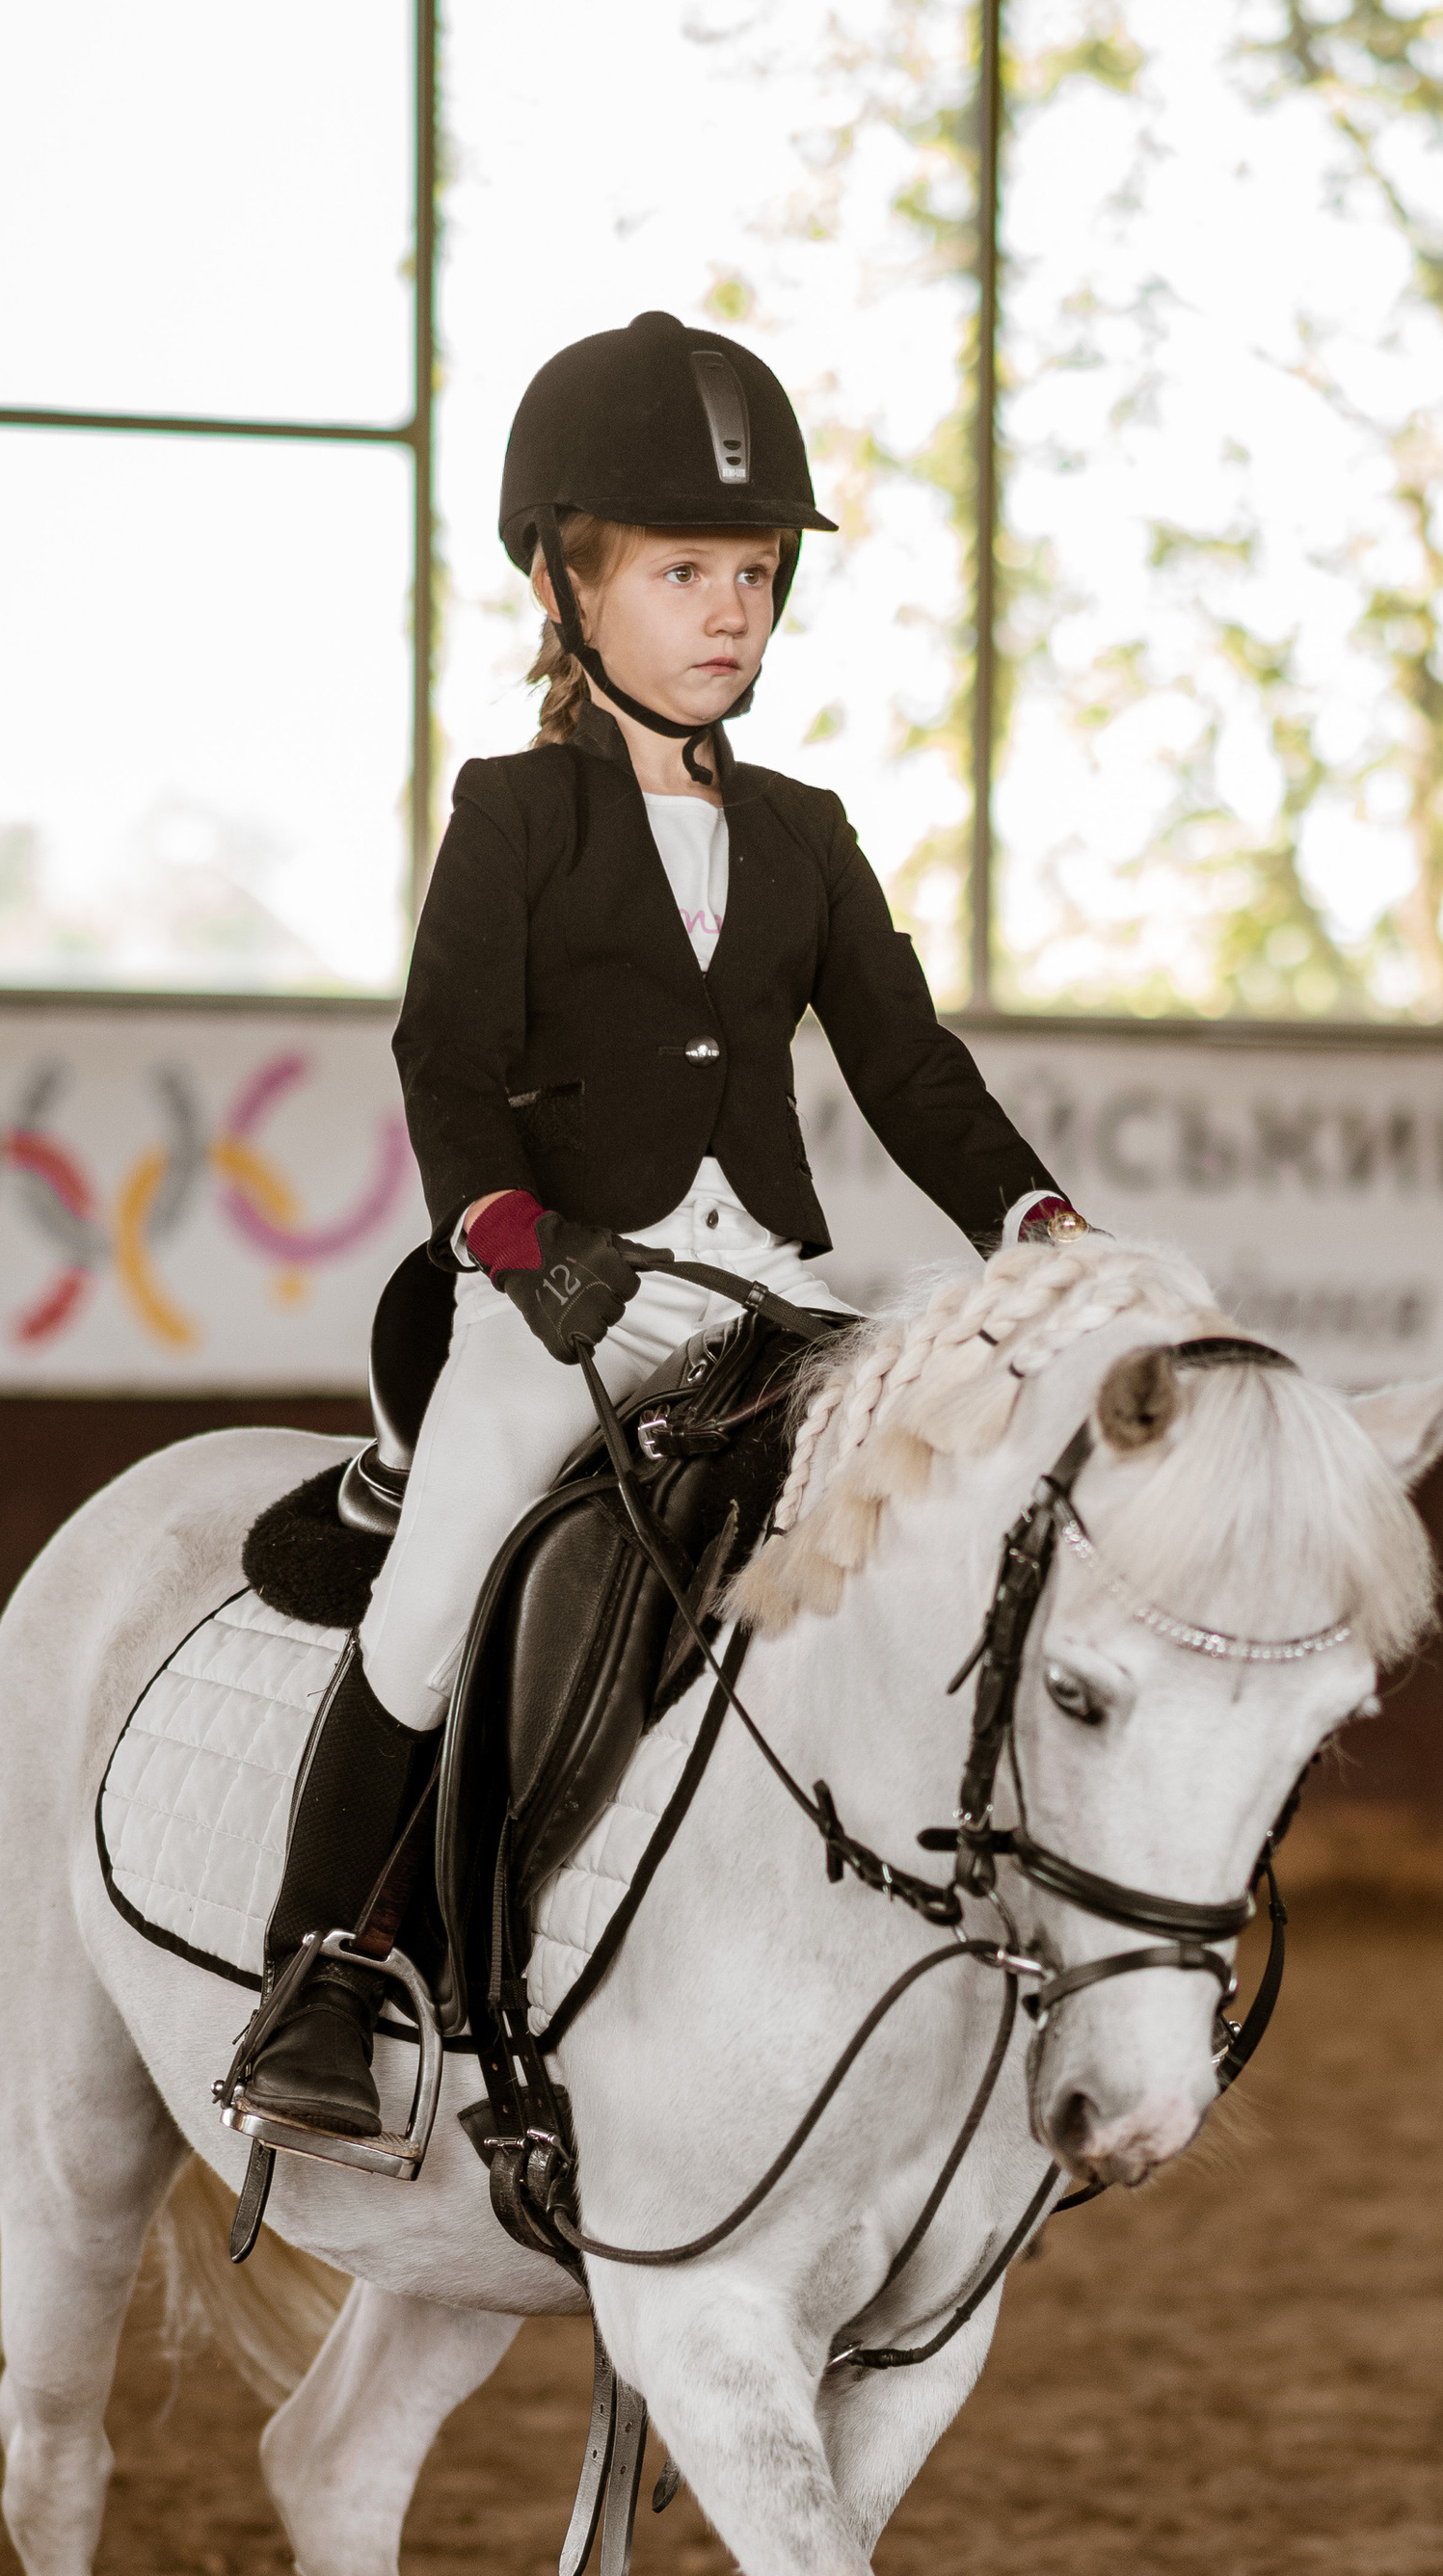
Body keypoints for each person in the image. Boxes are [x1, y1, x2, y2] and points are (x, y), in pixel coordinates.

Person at [235, 309, 1086, 2141]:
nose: (730, 611)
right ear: (569, 584)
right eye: (685, 570)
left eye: (756, 574)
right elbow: (444, 1059)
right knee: (453, 1561)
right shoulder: (514, 815)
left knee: (938, 1541)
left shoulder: (808, 834)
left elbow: (909, 1070)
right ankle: (326, 1969)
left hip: (767, 1293)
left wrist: (1033, 1216)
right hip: (563, 1295)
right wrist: (513, 1239)